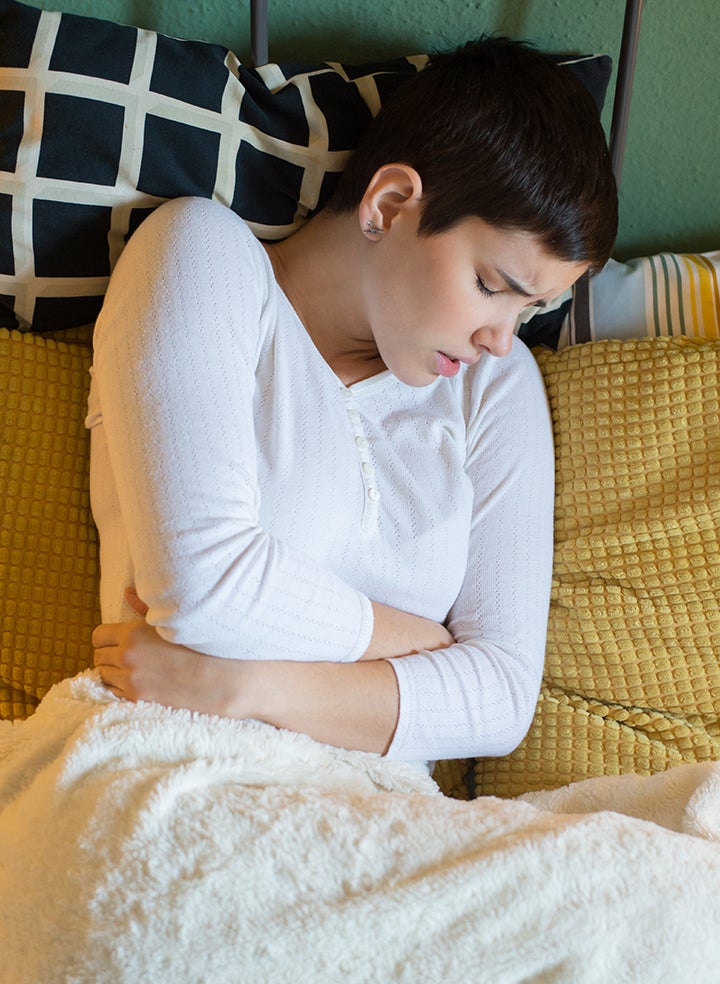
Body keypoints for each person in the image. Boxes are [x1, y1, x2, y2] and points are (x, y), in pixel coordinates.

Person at [88, 37, 617, 765]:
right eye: (492, 286)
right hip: (175, 767)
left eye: (530, 309)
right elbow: (204, 587)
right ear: (390, 204)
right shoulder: (200, 254)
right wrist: (422, 643)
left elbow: (500, 701)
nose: (501, 337)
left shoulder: (496, 384)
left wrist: (243, 687)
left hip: (386, 811)